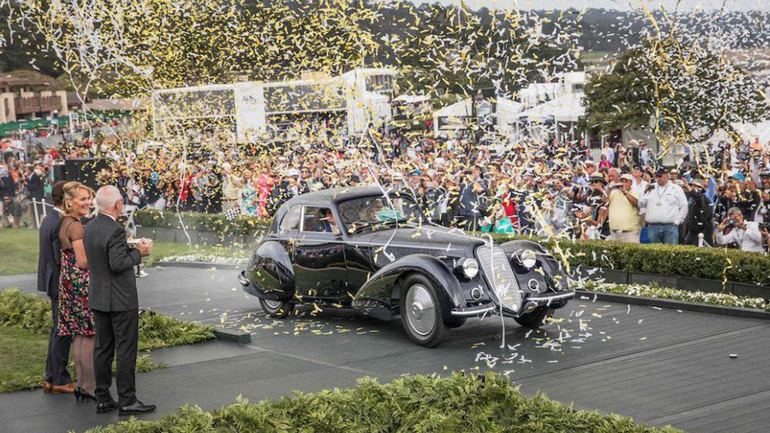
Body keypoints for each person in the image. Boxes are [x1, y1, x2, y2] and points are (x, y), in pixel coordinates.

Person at [84, 185, 154, 416]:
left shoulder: (90, 226)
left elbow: (104, 258)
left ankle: (103, 397)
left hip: (99, 295)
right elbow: (118, 263)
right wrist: (139, 253)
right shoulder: (115, 230)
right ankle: (127, 399)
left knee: (103, 348)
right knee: (125, 349)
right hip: (120, 299)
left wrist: (128, 248)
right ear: (117, 205)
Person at [57, 181, 97, 401]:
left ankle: (82, 384)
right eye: (83, 199)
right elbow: (83, 261)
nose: (88, 203)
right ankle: (89, 386)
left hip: (68, 285)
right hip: (81, 286)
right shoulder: (77, 226)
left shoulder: (65, 222)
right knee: (89, 335)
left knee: (81, 335)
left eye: (89, 199)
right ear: (70, 202)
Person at [37, 181, 74, 394]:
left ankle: (52, 377)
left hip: (52, 280)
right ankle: (59, 377)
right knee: (63, 330)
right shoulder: (59, 222)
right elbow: (60, 259)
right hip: (59, 281)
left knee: (57, 329)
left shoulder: (49, 219)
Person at [640, 168, 688, 244]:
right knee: (653, 253)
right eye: (656, 176)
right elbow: (641, 204)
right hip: (653, 227)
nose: (657, 179)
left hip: (670, 227)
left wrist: (677, 222)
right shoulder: (651, 187)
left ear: (666, 176)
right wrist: (645, 193)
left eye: (659, 176)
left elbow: (684, 206)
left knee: (670, 252)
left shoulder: (676, 188)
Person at [606, 174, 641, 243]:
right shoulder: (613, 192)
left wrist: (625, 192)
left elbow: (636, 203)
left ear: (631, 183)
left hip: (630, 231)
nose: (623, 183)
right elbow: (604, 200)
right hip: (614, 230)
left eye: (626, 181)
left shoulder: (636, 192)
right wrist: (609, 189)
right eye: (622, 181)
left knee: (631, 252)